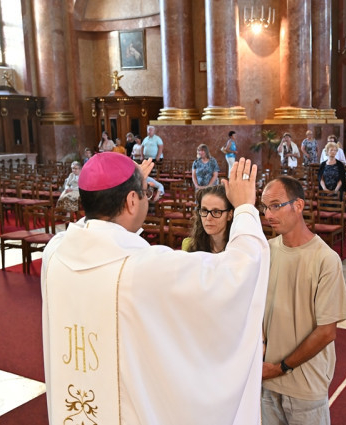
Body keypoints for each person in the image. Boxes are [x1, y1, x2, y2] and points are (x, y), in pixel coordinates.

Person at [41, 154, 270, 424]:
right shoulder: (143, 269)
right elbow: (237, 272)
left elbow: (96, 226)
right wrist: (244, 209)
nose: (147, 199)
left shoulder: (55, 253)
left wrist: (124, 186)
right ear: (131, 201)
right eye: (145, 193)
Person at [260, 175, 346, 424]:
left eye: (275, 206)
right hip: (266, 381)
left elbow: (326, 332)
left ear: (298, 205)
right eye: (265, 207)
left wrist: (280, 368)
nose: (268, 214)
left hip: (305, 386)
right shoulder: (266, 250)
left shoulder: (325, 259)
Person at [182, 185, 233, 253]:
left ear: (229, 215)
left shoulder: (239, 249)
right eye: (204, 210)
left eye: (216, 211)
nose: (208, 218)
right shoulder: (189, 245)